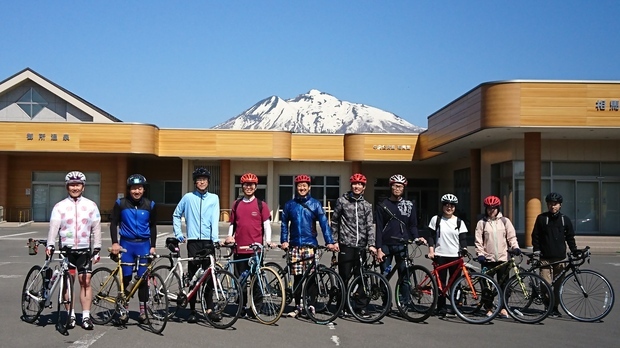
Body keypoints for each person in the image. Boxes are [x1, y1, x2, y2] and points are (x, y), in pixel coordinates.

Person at [46, 171, 102, 330]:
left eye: (78, 184)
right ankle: (70, 315)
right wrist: (50, 245)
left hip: (85, 250)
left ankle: (85, 316)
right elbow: (53, 228)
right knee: (68, 283)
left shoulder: (91, 205)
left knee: (86, 282)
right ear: (67, 186)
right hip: (67, 250)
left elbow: (96, 228)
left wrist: (97, 249)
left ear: (83, 187)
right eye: (72, 185)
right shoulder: (60, 206)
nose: (75, 187)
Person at [280, 174, 337, 318]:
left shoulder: (315, 204)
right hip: (294, 246)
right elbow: (284, 224)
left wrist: (329, 241)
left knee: (312, 277)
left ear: (309, 187)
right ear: (296, 187)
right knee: (298, 278)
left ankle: (311, 304)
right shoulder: (289, 205)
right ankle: (298, 306)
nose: (302, 187)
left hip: (310, 245)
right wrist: (284, 240)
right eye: (299, 185)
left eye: (305, 185)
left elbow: (324, 224)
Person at [173, 167, 221, 323]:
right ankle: (192, 310)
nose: (202, 182)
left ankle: (209, 309)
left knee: (208, 277)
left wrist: (215, 239)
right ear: (195, 182)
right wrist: (179, 234)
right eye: (199, 180)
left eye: (204, 180)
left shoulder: (214, 198)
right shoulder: (188, 197)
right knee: (194, 277)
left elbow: (215, 219)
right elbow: (176, 214)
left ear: (208, 182)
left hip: (208, 241)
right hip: (193, 241)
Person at [109, 174, 157, 325]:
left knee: (143, 280)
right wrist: (115, 243)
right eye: (134, 188)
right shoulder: (120, 203)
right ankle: (124, 309)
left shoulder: (150, 205)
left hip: (143, 244)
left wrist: (153, 246)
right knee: (127, 278)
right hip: (126, 244)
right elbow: (113, 223)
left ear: (144, 189)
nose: (137, 191)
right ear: (129, 189)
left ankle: (143, 310)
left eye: (140, 188)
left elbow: (153, 226)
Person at [224, 172, 274, 317]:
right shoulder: (237, 204)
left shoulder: (261, 205)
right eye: (246, 185)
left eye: (251, 185)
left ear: (256, 187)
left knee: (256, 280)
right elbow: (232, 224)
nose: (249, 187)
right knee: (240, 279)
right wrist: (229, 236)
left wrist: (268, 240)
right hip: (239, 248)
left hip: (255, 250)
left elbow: (266, 225)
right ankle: (240, 307)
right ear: (242, 187)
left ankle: (256, 308)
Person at [331, 173, 376, 317]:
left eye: (360, 184)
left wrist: (371, 244)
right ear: (351, 186)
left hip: (361, 246)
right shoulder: (342, 201)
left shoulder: (367, 205)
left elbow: (370, 226)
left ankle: (361, 307)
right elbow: (334, 221)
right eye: (355, 184)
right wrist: (335, 241)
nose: (357, 186)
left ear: (364, 187)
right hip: (346, 244)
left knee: (362, 276)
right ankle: (341, 305)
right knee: (344, 276)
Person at [375, 174, 424, 301]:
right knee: (385, 275)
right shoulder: (382, 205)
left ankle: (405, 303)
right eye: (396, 186)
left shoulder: (409, 205)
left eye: (400, 187)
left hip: (402, 244)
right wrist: (378, 248)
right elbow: (379, 228)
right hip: (386, 245)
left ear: (404, 188)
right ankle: (386, 304)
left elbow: (413, 225)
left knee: (405, 275)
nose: (398, 189)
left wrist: (417, 238)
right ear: (391, 187)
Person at [531, 192, 578, 318]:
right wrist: (536, 251)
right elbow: (535, 236)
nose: (553, 206)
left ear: (560, 205)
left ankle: (555, 308)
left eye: (555, 204)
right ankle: (548, 305)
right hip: (545, 258)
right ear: (547, 205)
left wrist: (574, 251)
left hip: (560, 258)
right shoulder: (542, 218)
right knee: (545, 284)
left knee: (558, 286)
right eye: (550, 204)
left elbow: (570, 237)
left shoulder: (565, 220)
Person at [474, 195, 520, 318]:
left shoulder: (505, 221)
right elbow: (478, 241)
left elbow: (511, 237)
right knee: (487, 286)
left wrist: (515, 247)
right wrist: (480, 254)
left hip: (503, 258)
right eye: (489, 208)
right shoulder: (482, 223)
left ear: (498, 208)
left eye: (494, 208)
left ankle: (503, 307)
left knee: (504, 285)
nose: (491, 210)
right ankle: (488, 307)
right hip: (487, 259)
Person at [427, 193, 468, 316]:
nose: (449, 207)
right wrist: (431, 251)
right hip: (440, 255)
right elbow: (431, 236)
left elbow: (463, 239)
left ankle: (456, 306)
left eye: (452, 205)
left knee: (455, 283)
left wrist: (464, 249)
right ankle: (441, 307)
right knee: (441, 284)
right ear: (442, 206)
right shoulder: (436, 219)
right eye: (446, 205)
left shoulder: (459, 222)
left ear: (455, 207)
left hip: (455, 255)